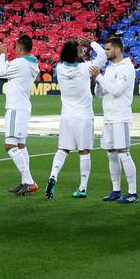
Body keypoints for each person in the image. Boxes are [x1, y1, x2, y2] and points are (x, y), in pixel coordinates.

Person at [44, 37, 107, 199]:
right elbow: (103, 56)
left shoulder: (60, 68)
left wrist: (82, 49)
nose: (83, 52)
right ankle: (82, 188)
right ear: (75, 54)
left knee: (63, 149)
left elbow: (72, 61)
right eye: (80, 50)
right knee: (84, 151)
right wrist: (91, 43)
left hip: (67, 116)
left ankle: (53, 176)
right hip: (84, 115)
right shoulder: (85, 68)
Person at [0, 33, 39, 195]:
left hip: (15, 108)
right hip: (24, 107)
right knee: (21, 145)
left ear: (20, 47)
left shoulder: (20, 63)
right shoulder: (33, 63)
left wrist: (3, 55)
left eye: (15, 47)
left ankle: (29, 181)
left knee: (10, 145)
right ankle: (25, 181)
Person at [95, 35, 139, 204]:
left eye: (108, 49)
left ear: (118, 49)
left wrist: (99, 77)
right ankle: (115, 190)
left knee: (124, 153)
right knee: (111, 154)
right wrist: (98, 82)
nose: (105, 52)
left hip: (121, 117)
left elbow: (117, 90)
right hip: (109, 117)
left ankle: (133, 192)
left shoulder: (127, 67)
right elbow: (99, 94)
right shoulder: (110, 68)